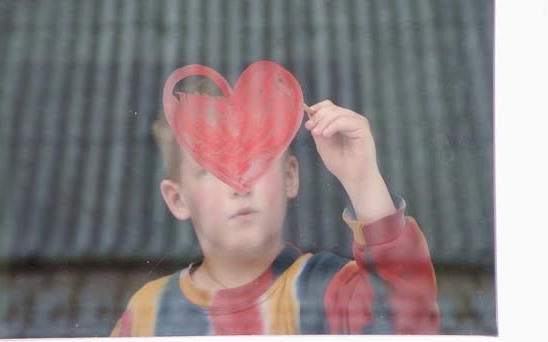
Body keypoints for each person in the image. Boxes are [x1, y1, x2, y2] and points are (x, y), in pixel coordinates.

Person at [110, 78, 440, 336]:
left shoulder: (326, 291)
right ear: (177, 199)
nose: (239, 183)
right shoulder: (147, 312)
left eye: (256, 159)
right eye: (212, 168)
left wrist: (363, 179)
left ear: (290, 177)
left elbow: (409, 323)